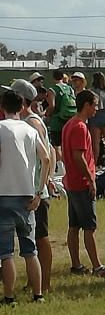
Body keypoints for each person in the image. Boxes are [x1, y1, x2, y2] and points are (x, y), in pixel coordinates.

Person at [0, 90, 51, 304]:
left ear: (2, 107)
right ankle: (38, 294)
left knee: (6, 253)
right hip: (28, 196)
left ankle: (9, 296)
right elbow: (46, 158)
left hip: (4, 194)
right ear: (22, 108)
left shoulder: (1, 128)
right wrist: (39, 191)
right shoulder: (30, 130)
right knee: (30, 250)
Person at [62, 90, 105, 277]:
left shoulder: (69, 124)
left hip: (71, 183)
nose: (97, 108)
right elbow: (79, 156)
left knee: (74, 225)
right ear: (86, 105)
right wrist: (91, 179)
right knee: (89, 227)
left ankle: (76, 265)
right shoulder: (80, 127)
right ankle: (97, 266)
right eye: (94, 104)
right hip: (81, 183)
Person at [11, 79, 55, 294]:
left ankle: (44, 284)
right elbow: (52, 153)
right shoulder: (30, 121)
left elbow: (46, 156)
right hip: (34, 188)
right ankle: (34, 281)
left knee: (40, 238)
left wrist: (43, 184)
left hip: (35, 192)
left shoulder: (31, 123)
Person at [45, 69, 76, 168]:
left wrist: (47, 114)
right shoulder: (70, 88)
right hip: (69, 119)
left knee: (56, 145)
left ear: (53, 77)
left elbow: (52, 106)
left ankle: (61, 166)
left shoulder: (52, 89)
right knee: (67, 144)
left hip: (57, 120)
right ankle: (70, 164)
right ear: (63, 77)